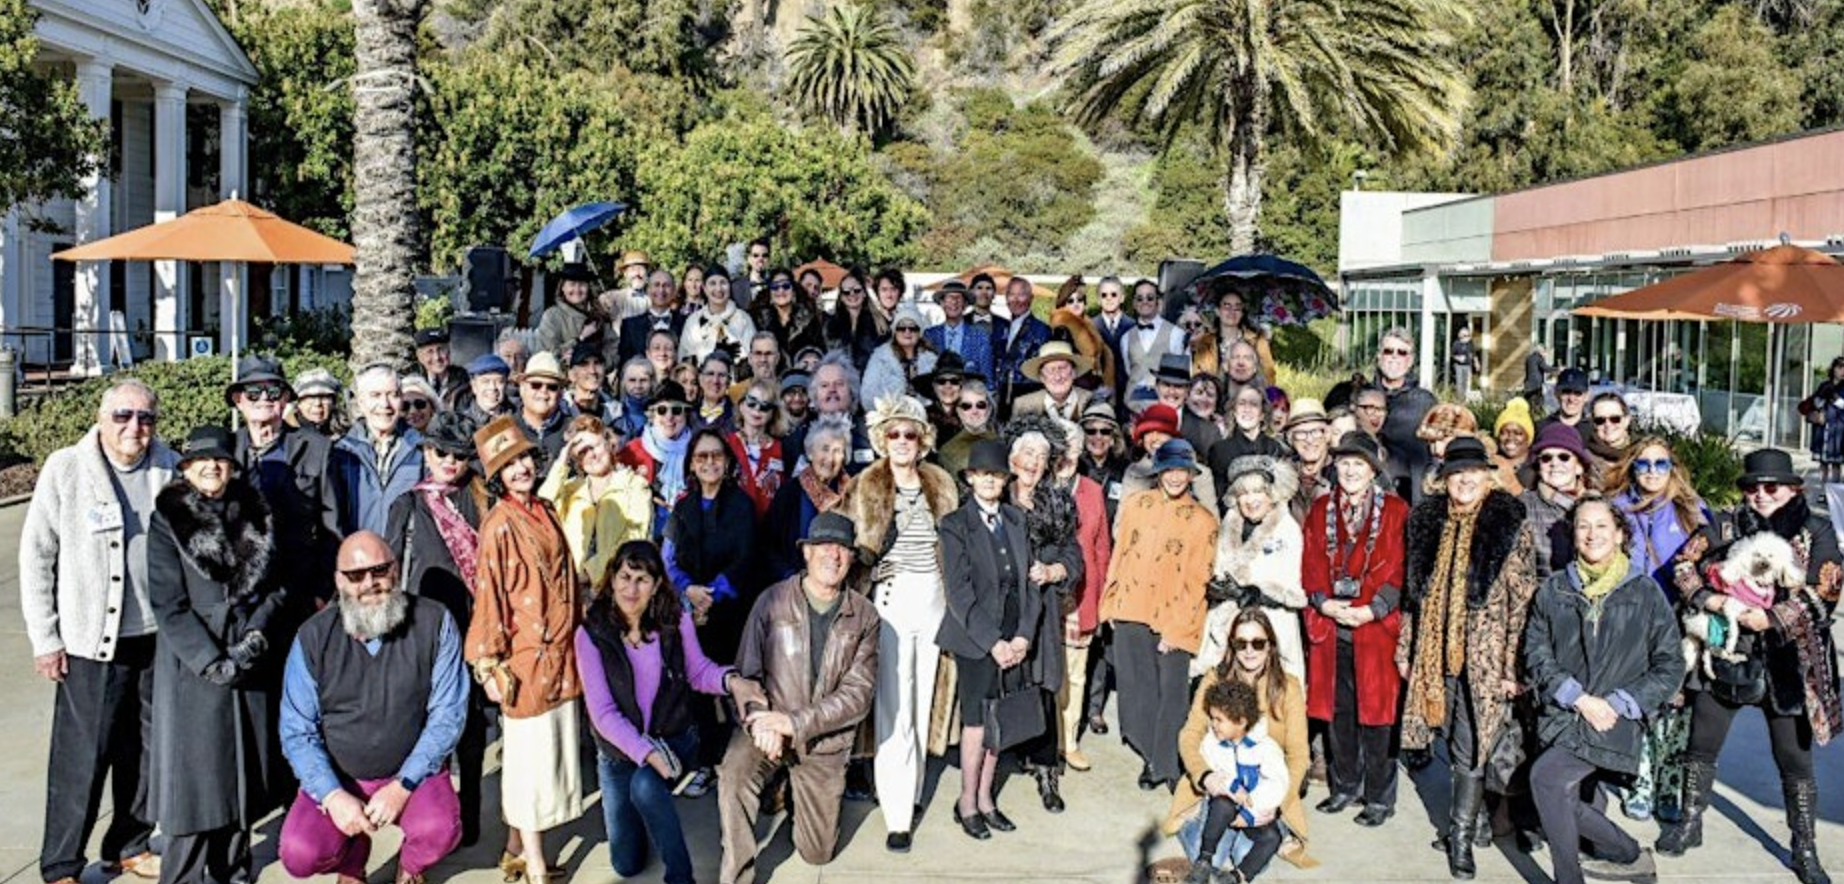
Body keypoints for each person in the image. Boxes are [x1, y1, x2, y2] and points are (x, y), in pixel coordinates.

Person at [1656, 449, 1841, 884]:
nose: (1760, 495)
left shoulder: (1817, 529)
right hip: (1726, 647)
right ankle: (1690, 821)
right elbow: (1684, 565)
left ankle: (1804, 846)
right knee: (1703, 740)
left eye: (1771, 487)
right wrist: (1711, 600)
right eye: (1752, 487)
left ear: (1793, 489)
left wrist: (1772, 618)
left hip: (1790, 657)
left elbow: (1826, 590)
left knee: (1794, 758)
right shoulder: (1723, 523)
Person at [20, 380, 175, 884]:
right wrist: (46, 638)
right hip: (90, 643)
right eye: (123, 416)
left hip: (155, 639)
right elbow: (36, 556)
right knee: (81, 758)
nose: (135, 427)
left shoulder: (168, 467)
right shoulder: (66, 468)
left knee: (146, 752)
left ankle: (128, 843)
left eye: (146, 418)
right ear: (101, 417)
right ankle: (62, 862)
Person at [146, 427, 298, 884]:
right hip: (194, 668)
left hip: (249, 659)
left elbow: (277, 585)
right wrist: (211, 661)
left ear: (233, 466)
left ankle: (233, 872)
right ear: (186, 468)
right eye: (201, 460)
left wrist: (254, 638)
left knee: (239, 786)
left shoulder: (256, 512)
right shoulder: (167, 520)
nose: (212, 467)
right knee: (194, 790)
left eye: (220, 460)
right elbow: (168, 604)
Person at [276, 531, 467, 884]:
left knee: (440, 829)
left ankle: (411, 866)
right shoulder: (313, 637)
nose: (370, 583)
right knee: (299, 854)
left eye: (380, 570)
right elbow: (297, 730)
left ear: (395, 570)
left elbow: (447, 715)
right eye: (356, 575)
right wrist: (332, 795)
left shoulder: (434, 621)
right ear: (339, 580)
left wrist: (403, 785)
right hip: (341, 776)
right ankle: (351, 863)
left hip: (410, 773)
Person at [576, 541, 766, 884]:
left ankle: (680, 876)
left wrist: (732, 681)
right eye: (624, 577)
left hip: (672, 737)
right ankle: (645, 815)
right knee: (626, 864)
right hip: (619, 752)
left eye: (642, 580)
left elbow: (698, 671)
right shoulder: (591, 633)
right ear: (612, 578)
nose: (631, 589)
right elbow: (602, 712)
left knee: (647, 788)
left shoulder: (675, 620)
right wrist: (644, 752)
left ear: (657, 585)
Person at [1522, 497, 1684, 884]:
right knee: (1559, 794)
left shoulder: (1644, 592)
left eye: (1601, 526)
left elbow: (1670, 665)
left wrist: (1619, 703)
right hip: (1565, 711)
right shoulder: (1555, 589)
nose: (1592, 534)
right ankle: (1630, 854)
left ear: (1619, 534)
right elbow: (1535, 650)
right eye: (1582, 526)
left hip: (1617, 718)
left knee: (1546, 779)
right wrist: (1575, 696)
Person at [1398, 436, 1540, 876]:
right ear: (1445, 479)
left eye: (1472, 473)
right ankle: (1472, 817)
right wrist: (1406, 648)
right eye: (1456, 473)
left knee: (1471, 744)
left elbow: (1523, 600)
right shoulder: (1427, 520)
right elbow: (1412, 595)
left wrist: (1512, 667)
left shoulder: (1508, 522)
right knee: (1442, 732)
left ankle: (1460, 837)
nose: (1464, 481)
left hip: (1485, 656)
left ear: (1486, 475)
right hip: (1433, 650)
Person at [717, 513, 881, 884]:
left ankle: (793, 790)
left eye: (841, 548)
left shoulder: (865, 616)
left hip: (822, 740)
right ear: (806, 552)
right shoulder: (772, 600)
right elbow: (747, 671)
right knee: (734, 775)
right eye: (824, 546)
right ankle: (736, 872)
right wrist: (761, 719)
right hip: (766, 727)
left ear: (851, 558)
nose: (833, 555)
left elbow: (858, 695)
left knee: (816, 853)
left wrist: (795, 724)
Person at [465, 416, 584, 884]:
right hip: (523, 656)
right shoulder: (498, 524)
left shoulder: (546, 508)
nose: (520, 470)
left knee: (549, 756)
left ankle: (516, 846)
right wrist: (489, 662)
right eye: (508, 465)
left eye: (523, 460)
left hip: (558, 650)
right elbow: (489, 595)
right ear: (496, 475)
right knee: (530, 763)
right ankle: (534, 863)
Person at [837, 394, 959, 851]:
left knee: (922, 698)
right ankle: (896, 811)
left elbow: (955, 543)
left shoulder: (942, 484)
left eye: (911, 433)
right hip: (889, 603)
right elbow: (846, 547)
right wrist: (867, 567)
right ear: (882, 439)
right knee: (894, 703)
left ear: (923, 439)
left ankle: (909, 790)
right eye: (894, 434)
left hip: (933, 600)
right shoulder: (865, 484)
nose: (903, 441)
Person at [383, 411, 497, 848]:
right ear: (426, 453)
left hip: (474, 624)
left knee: (470, 729)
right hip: (424, 629)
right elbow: (390, 569)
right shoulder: (408, 505)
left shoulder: (481, 496)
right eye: (440, 452)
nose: (449, 461)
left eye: (458, 454)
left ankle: (468, 818)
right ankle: (428, 823)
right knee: (427, 727)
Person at [936, 439, 1043, 839]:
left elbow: (1030, 584)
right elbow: (959, 593)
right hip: (977, 639)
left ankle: (986, 798)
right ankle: (966, 802)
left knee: (1002, 719)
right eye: (982, 474)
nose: (990, 481)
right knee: (978, 721)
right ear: (970, 478)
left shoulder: (1017, 520)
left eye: (997, 475)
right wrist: (993, 642)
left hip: (1013, 636)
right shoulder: (955, 525)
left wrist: (1023, 635)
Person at [1101, 439, 1221, 791]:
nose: (1174, 477)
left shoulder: (1203, 520)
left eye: (1181, 470)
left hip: (1175, 616)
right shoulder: (1137, 504)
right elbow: (1120, 553)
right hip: (1131, 606)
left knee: (1171, 693)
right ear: (1158, 471)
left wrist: (1178, 628)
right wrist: (1111, 602)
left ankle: (1168, 763)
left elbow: (1201, 578)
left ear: (1190, 474)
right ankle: (1151, 757)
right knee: (1138, 689)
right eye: (1168, 469)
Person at [1302, 432, 1408, 827]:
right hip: (1332, 627)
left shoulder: (1396, 511)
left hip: (1374, 627)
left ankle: (1379, 796)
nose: (1350, 471)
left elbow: (1401, 568)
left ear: (1372, 470)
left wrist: (1372, 610)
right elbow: (1310, 559)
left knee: (1378, 715)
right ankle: (1344, 785)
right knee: (1338, 713)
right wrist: (1322, 602)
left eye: (1358, 464)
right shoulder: (1320, 510)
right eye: (1344, 463)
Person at [1171, 610, 1315, 874]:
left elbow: (1298, 756)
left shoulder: (1288, 688)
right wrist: (1206, 777)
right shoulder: (1216, 679)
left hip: (1264, 792)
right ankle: (1199, 819)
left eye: (1258, 643)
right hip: (1222, 786)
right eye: (1241, 643)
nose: (1249, 651)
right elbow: (1190, 734)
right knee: (1212, 861)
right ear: (1232, 646)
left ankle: (1265, 832)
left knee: (1246, 857)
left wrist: (1276, 805)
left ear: (1270, 646)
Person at [663, 429, 761, 793]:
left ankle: (743, 767)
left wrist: (715, 593)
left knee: (735, 684)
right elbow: (669, 559)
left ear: (728, 461)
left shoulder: (741, 505)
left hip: (733, 611)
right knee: (698, 691)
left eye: (716, 456)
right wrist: (688, 590)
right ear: (691, 463)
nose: (709, 463)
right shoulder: (683, 506)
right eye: (701, 457)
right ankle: (706, 761)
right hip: (692, 612)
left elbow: (747, 555)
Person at [999, 421, 1085, 812]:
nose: (1033, 463)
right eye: (1027, 455)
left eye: (1041, 456)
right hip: (1001, 608)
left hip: (1044, 608)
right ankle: (1009, 753)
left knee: (1044, 682)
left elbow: (1074, 557)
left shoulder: (1058, 501)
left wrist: (1053, 572)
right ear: (1013, 458)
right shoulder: (994, 496)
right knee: (1006, 682)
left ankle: (1047, 771)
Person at [229, 355, 341, 604]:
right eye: (253, 392)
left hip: (298, 588)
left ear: (285, 399)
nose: (264, 399)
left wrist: (322, 591)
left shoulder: (317, 448)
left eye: (273, 391)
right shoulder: (225, 449)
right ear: (239, 400)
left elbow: (331, 526)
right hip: (241, 593)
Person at [1172, 680, 1288, 884]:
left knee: (1272, 838)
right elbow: (1218, 774)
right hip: (1226, 804)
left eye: (1219, 720)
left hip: (1253, 808)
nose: (1213, 724)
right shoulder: (1212, 742)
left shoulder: (1266, 748)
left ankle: (1239, 876)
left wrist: (1249, 814)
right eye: (1212, 718)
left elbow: (1277, 784)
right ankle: (1204, 859)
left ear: (1241, 721)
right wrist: (1233, 787)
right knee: (1221, 805)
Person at [1202, 457, 1305, 682]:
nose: (1251, 500)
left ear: (1271, 494)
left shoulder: (1287, 529)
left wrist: (1256, 592)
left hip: (1272, 628)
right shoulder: (1227, 527)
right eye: (1243, 493)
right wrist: (1218, 588)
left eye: (1257, 491)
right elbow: (1217, 568)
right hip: (1228, 630)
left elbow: (1290, 584)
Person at [540, 415, 652, 587]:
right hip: (571, 586)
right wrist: (561, 462)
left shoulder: (635, 486)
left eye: (594, 446)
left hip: (618, 585)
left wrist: (591, 572)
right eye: (582, 452)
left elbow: (634, 539)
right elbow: (541, 512)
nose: (591, 455)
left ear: (608, 444)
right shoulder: (569, 489)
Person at [335, 364, 426, 537]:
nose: (385, 404)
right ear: (361, 402)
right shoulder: (341, 453)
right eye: (375, 395)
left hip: (405, 558)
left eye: (393, 395)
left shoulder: (422, 450)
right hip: (358, 557)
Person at [762, 415, 853, 580]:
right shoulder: (789, 492)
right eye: (824, 449)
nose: (830, 459)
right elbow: (768, 545)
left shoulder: (853, 494)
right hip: (794, 586)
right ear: (810, 452)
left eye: (837, 451)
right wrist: (789, 576)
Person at [617, 380, 694, 537]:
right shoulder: (632, 450)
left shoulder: (697, 450)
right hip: (641, 533)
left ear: (686, 414)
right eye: (662, 410)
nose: (669, 417)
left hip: (687, 535)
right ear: (651, 415)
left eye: (677, 410)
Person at [1372, 328, 1437, 504]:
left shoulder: (1424, 402)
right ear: (1379, 356)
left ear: (1410, 361)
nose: (1394, 357)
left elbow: (1437, 451)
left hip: (1413, 496)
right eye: (1388, 351)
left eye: (1401, 353)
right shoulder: (1362, 398)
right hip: (1372, 494)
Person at [1521, 422, 1592, 579]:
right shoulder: (1522, 507)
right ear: (1539, 466)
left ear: (1579, 466)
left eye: (1564, 457)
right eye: (1546, 458)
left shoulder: (1599, 507)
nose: (1554, 463)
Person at [1120, 404, 1218, 511]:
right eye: (1149, 433)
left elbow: (1211, 520)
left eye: (1162, 432)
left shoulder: (1201, 475)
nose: (1155, 438)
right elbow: (1122, 519)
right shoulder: (1134, 472)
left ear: (1173, 438)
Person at [1207, 385, 1289, 500]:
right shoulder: (1219, 450)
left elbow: (1282, 495)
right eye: (1242, 403)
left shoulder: (1275, 449)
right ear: (1234, 412)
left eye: (1254, 404)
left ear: (1262, 414)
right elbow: (1218, 497)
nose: (1247, 409)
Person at [1191, 288, 1276, 386]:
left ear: (1242, 313)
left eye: (1237, 308)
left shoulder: (1257, 341)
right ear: (1218, 311)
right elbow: (1197, 375)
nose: (1232, 311)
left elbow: (1269, 374)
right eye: (1227, 307)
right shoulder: (1205, 342)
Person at [727, 378, 786, 516]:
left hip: (769, 530)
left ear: (773, 413)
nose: (757, 409)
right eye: (752, 402)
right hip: (731, 527)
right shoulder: (726, 444)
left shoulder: (782, 449)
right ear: (741, 406)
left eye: (765, 406)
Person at [534, 261, 614, 363]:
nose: (577, 289)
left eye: (582, 284)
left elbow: (612, 348)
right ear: (563, 287)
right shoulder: (552, 316)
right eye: (572, 284)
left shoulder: (599, 315)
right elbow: (548, 354)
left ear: (588, 288)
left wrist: (601, 366)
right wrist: (580, 338)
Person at [1049, 277, 1117, 394]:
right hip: (1076, 390)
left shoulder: (1089, 325)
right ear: (1063, 304)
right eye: (1070, 301)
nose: (1076, 304)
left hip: (1094, 387)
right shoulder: (1062, 328)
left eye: (1079, 300)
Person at [862, 303, 938, 405]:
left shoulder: (932, 360)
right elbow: (868, 395)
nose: (907, 332)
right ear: (895, 332)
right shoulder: (880, 357)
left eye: (913, 328)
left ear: (919, 333)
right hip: (889, 416)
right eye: (901, 328)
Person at [994, 277, 1052, 409]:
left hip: (1028, 398)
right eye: (1011, 295)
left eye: (1021, 295)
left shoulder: (1042, 330)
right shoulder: (1000, 328)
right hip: (1000, 398)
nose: (1015, 300)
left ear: (1031, 298)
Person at [1121, 280, 1186, 396]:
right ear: (1134, 304)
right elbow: (1128, 372)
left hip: (1164, 408)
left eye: (1150, 298)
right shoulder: (1125, 339)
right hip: (1132, 408)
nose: (1144, 302)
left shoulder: (1176, 334)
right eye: (1139, 298)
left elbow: (1180, 377)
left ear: (1158, 302)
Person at [924, 280, 996, 384]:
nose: (954, 302)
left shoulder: (980, 335)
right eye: (949, 297)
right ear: (942, 303)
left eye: (958, 298)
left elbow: (987, 377)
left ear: (965, 304)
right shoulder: (930, 335)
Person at [681, 266, 757, 364]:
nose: (718, 289)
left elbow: (754, 356)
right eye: (712, 283)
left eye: (723, 283)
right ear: (704, 288)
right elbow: (685, 359)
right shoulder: (693, 321)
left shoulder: (743, 318)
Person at [618, 268, 688, 367]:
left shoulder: (687, 323)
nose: (661, 290)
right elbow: (625, 365)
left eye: (666, 285)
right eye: (656, 285)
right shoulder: (629, 325)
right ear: (648, 290)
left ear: (673, 291)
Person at [1011, 340, 1095, 422]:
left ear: (1073, 372)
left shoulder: (1093, 401)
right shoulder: (1023, 405)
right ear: (1042, 377)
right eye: (1050, 370)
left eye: (1063, 368)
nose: (1057, 377)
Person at [750, 267, 825, 357]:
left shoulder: (810, 320)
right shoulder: (756, 319)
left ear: (793, 291)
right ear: (770, 293)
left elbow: (819, 352)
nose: (781, 290)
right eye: (775, 287)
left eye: (786, 286)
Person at [824, 269, 887, 370]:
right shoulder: (830, 326)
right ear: (841, 297)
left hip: (872, 381)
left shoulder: (880, 324)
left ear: (864, 293)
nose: (852, 294)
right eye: (846, 291)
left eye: (857, 290)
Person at [936, 378, 998, 478]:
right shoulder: (947, 452)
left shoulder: (1003, 444)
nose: (974, 411)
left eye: (980, 405)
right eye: (966, 406)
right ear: (958, 411)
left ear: (989, 409)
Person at [1283, 399, 1333, 521]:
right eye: (1301, 433)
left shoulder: (1341, 472)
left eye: (1316, 432)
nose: (1309, 440)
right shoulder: (1283, 475)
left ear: (1326, 435)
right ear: (1291, 440)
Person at [1800, 356, 1844, 483]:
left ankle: (1833, 493)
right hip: (1823, 429)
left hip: (1838, 431)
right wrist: (1821, 396)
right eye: (1840, 367)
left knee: (1836, 464)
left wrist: (1835, 398)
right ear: (1834, 369)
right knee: (1823, 463)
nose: (1843, 371)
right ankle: (1823, 491)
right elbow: (1816, 404)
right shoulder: (1825, 385)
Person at [562, 342, 621, 425]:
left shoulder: (617, 412)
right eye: (584, 364)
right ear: (571, 375)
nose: (592, 371)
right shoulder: (560, 411)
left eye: (597, 363)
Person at [412, 327, 471, 407]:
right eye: (430, 351)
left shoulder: (466, 383)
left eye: (441, 350)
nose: (437, 357)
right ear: (420, 357)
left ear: (449, 352)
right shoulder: (413, 384)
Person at [1538, 367, 1593, 448]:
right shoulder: (1541, 428)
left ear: (1587, 396)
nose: (1571, 399)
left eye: (1578, 393)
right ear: (1556, 393)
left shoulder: (1593, 431)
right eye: (1566, 392)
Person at [1491, 397, 1535, 496]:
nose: (1510, 437)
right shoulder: (1491, 464)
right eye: (1504, 433)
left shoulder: (1538, 468)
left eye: (1518, 433)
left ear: (1528, 438)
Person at [290, 368, 347, 440]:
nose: (317, 403)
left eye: (324, 397)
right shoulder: (286, 437)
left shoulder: (348, 435)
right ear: (298, 404)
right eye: (310, 397)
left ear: (333, 402)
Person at [1585, 391, 1634, 474]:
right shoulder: (1585, 459)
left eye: (1615, 419)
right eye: (1600, 420)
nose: (1608, 425)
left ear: (1627, 420)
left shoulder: (1643, 452)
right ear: (1593, 424)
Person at [460, 354, 514, 426]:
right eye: (485, 381)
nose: (492, 387)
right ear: (474, 386)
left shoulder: (517, 419)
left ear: (506, 385)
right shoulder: (461, 424)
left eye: (499, 381)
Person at [691, 352, 738, 434]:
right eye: (710, 374)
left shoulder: (739, 418)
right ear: (701, 379)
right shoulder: (687, 415)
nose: (715, 381)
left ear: (729, 382)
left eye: (722, 375)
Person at [1182, 373, 1226, 456]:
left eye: (1210, 395)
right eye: (1199, 392)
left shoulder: (1221, 427)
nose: (1204, 399)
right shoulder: (1179, 423)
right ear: (1187, 397)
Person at [613, 358, 656, 440]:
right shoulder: (612, 414)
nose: (638, 386)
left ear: (652, 382)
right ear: (623, 383)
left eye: (643, 380)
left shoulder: (662, 413)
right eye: (632, 380)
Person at [1450, 326, 1476, 397]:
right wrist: (1458, 358)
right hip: (1459, 366)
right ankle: (1459, 398)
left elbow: (1473, 353)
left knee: (1466, 382)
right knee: (1459, 382)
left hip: (1467, 365)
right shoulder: (1456, 344)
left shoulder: (1470, 344)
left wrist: (1476, 363)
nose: (1466, 337)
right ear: (1460, 335)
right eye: (1465, 335)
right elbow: (1452, 354)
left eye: (1468, 335)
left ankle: (1464, 397)